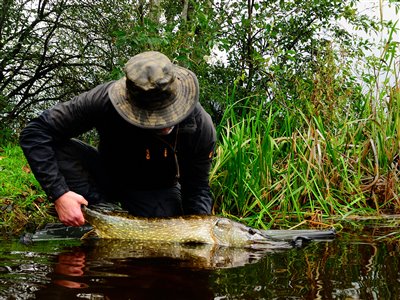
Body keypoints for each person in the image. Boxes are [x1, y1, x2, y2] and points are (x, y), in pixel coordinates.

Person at [19, 51, 216, 227]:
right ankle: (99, 212)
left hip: (154, 189)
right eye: (153, 116)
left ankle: (110, 218)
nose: (163, 123)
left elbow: (197, 188)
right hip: (106, 176)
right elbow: (36, 132)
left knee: (159, 251)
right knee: (58, 148)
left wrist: (200, 231)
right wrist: (59, 193)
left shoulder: (200, 126)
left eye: (168, 113)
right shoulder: (103, 101)